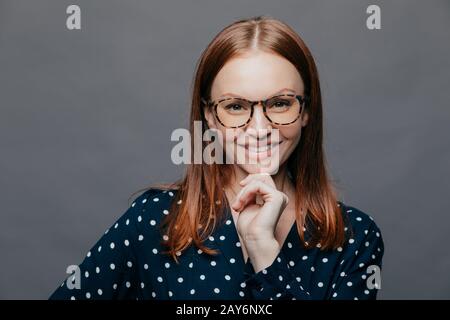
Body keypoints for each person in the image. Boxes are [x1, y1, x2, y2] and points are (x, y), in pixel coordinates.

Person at [49, 15, 384, 300]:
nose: (259, 128)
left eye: (280, 103)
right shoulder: (155, 221)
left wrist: (263, 250)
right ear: (209, 116)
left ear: (306, 110)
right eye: (235, 107)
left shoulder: (355, 237)